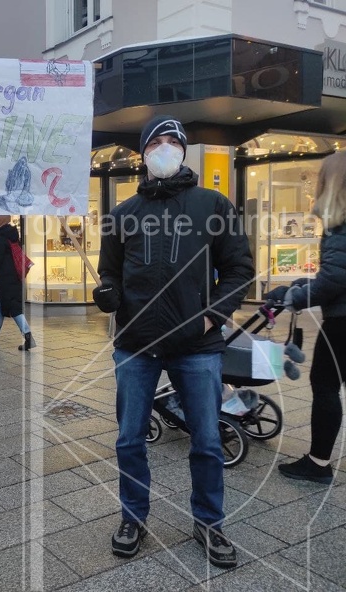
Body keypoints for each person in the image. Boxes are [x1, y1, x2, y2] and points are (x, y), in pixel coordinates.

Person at [95, 115, 254, 568]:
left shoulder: (213, 205)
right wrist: (107, 292)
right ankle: (133, 517)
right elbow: (110, 271)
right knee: (129, 440)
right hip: (136, 344)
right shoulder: (122, 215)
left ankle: (209, 522)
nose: (164, 149)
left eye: (172, 141)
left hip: (196, 347)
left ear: (184, 150)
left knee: (205, 439)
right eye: (155, 143)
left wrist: (212, 317)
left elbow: (239, 268)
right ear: (142, 154)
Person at [264, 150, 346, 485]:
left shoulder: (341, 226)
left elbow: (335, 280)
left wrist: (296, 297)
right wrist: (297, 285)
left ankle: (318, 463)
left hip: (342, 323)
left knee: (325, 386)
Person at [0, 215, 36, 351]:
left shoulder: (0, 237)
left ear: (0, 220)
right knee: (1, 305)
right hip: (13, 277)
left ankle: (28, 337)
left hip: (6, 279)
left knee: (14, 309)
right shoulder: (12, 235)